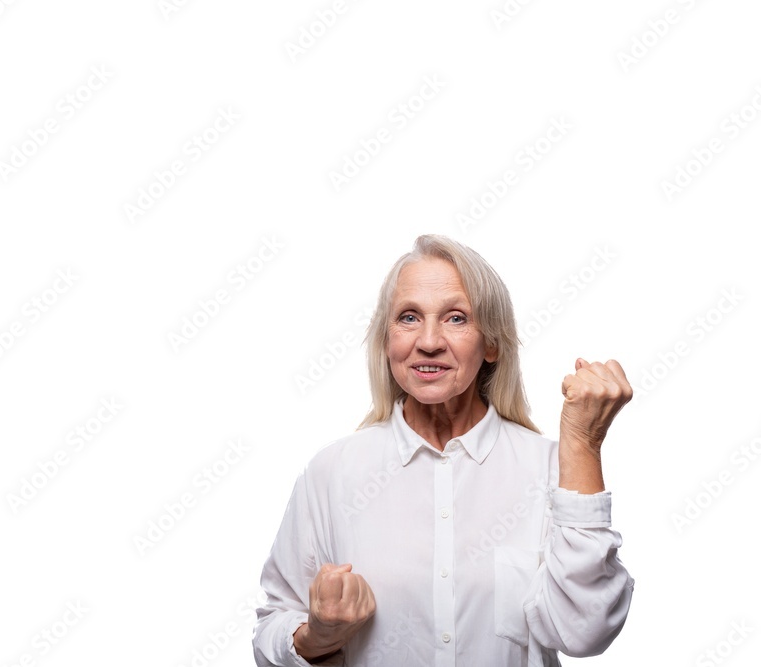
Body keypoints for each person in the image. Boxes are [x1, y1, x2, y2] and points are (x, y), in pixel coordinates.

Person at [252, 234, 635, 666]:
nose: (429, 341)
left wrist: (583, 445)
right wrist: (317, 635)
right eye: (409, 318)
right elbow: (271, 630)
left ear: (491, 344)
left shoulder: (551, 471)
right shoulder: (333, 473)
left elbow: (584, 632)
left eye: (455, 319)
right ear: (386, 342)